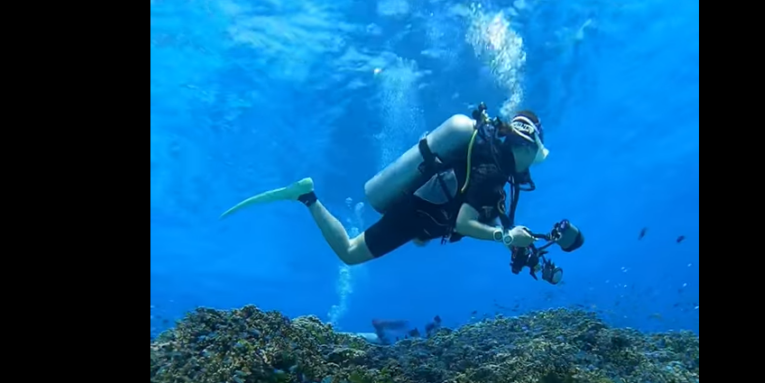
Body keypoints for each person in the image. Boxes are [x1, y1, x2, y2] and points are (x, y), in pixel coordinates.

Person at [221, 107, 550, 266]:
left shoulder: (488, 158)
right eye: (534, 155)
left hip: (422, 213)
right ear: (525, 148)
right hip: (415, 213)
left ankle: (306, 195)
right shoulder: (493, 170)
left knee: (358, 250)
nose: (530, 166)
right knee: (349, 254)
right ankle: (306, 196)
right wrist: (503, 237)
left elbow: (472, 208)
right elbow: (465, 221)